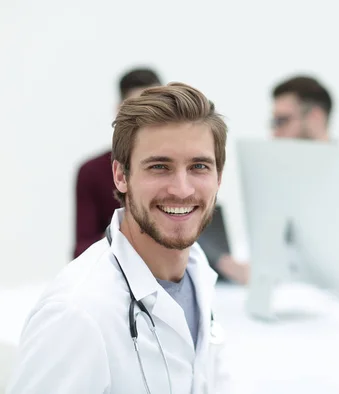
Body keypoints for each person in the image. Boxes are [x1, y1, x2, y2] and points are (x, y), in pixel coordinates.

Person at [8, 82, 232, 393]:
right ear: (121, 176)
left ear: (219, 176)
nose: (182, 189)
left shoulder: (196, 271)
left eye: (198, 166)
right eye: (159, 166)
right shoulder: (77, 314)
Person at [215, 75, 339, 284]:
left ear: (315, 117)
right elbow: (268, 239)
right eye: (273, 122)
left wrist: (268, 273)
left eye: (282, 121)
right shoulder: (293, 175)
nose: (274, 134)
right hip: (307, 294)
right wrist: (234, 263)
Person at [73, 67, 162, 258]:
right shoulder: (92, 171)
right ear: (120, 111)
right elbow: (82, 249)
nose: (150, 118)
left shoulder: (178, 166)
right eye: (139, 108)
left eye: (157, 108)